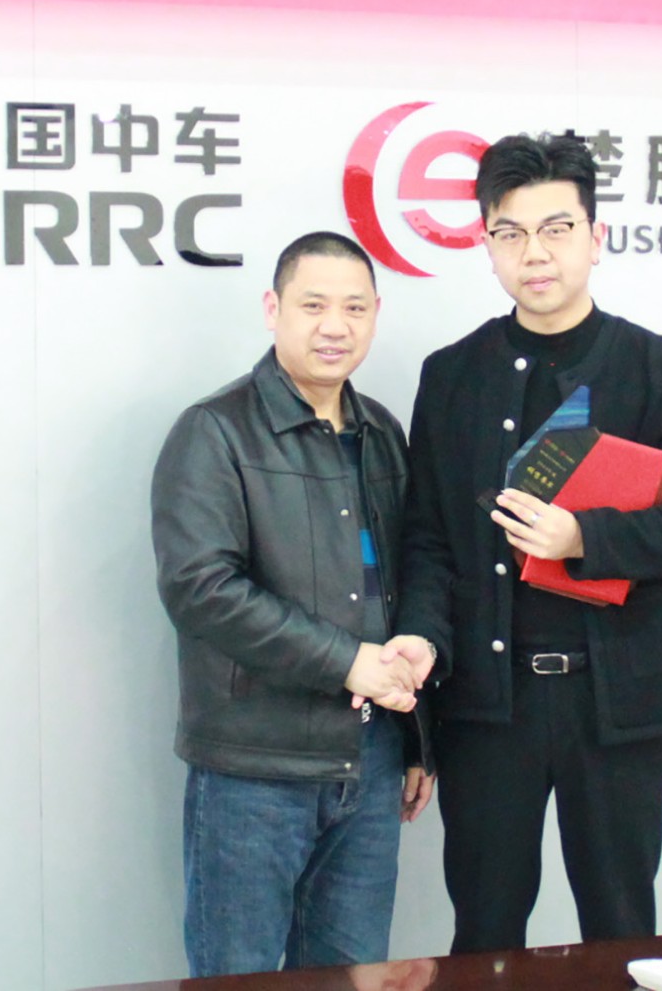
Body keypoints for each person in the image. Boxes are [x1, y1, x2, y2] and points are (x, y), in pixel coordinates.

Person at [392, 133, 662, 954]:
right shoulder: (452, 374)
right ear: (486, 243)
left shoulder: (656, 367)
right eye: (509, 233)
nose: (534, 253)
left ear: (596, 236)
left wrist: (586, 535)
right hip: (488, 705)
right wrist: (423, 677)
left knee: (622, 931)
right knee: (485, 932)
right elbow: (428, 541)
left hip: (616, 707)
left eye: (556, 228)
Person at [151, 231, 437, 978]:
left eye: (354, 308)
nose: (334, 326)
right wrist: (347, 662)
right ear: (273, 309)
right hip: (255, 769)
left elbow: (406, 580)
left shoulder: (382, 433)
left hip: (370, 762)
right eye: (313, 305)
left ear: (376, 314)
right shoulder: (215, 430)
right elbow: (199, 588)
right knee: (239, 976)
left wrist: (417, 741)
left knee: (352, 976)